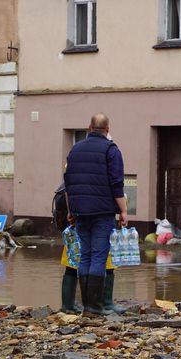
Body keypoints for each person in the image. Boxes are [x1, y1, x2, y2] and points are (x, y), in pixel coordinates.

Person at [64, 113, 127, 316]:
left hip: (80, 210)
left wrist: (70, 210)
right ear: (107, 129)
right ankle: (95, 307)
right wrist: (123, 211)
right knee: (99, 257)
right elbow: (117, 183)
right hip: (102, 211)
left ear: (89, 127)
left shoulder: (75, 149)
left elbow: (68, 184)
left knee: (85, 256)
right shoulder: (111, 150)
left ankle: (85, 306)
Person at [56, 181, 126, 314]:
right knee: (105, 261)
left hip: (77, 218)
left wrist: (71, 211)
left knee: (72, 261)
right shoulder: (105, 167)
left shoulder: (73, 167)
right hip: (99, 218)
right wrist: (123, 209)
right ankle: (102, 303)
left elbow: (68, 190)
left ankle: (69, 304)